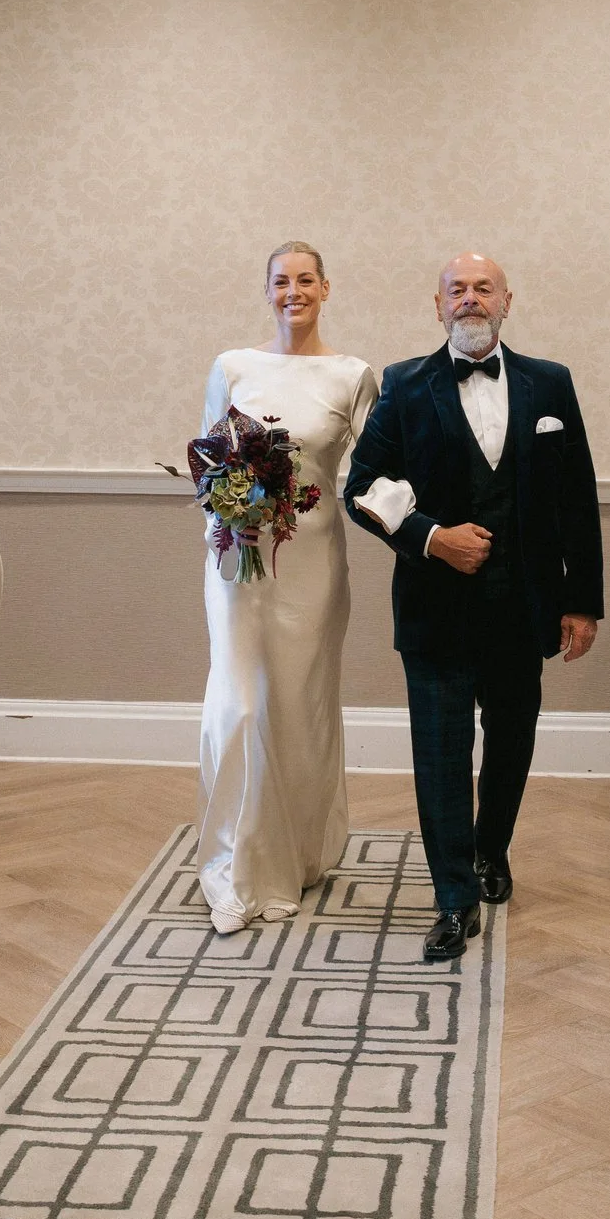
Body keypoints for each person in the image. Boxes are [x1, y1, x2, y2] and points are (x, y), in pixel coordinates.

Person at [344, 252, 603, 963]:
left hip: (524, 605)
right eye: (455, 289)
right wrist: (432, 537)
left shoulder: (550, 383)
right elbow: (362, 486)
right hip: (435, 608)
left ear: (507, 300)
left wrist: (582, 601)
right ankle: (454, 897)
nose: (469, 299)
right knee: (440, 754)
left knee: (513, 737)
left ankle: (493, 850)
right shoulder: (404, 384)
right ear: (437, 305)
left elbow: (577, 497)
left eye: (482, 287)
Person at [195, 242, 380, 934]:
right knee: (237, 704)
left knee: (299, 707)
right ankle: (237, 864)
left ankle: (299, 849)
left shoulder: (353, 376)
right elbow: (209, 455)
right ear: (266, 289)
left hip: (313, 560)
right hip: (238, 559)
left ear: (326, 288)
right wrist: (231, 507)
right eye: (281, 280)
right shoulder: (233, 366)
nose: (292, 291)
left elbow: (372, 472)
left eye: (305, 280)